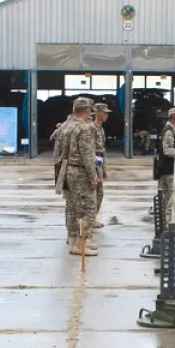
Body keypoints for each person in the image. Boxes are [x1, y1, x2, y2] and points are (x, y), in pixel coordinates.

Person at [63, 97, 100, 256]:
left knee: (72, 206)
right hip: (80, 171)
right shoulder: (84, 128)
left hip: (67, 169)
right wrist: (93, 176)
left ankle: (72, 239)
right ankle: (81, 243)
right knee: (87, 208)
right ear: (87, 111)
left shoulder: (66, 126)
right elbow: (87, 155)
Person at [157, 108, 175, 225]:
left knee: (167, 197)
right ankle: (168, 221)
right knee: (173, 196)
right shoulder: (169, 131)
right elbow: (167, 150)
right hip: (168, 169)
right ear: (174, 117)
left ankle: (165, 223)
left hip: (166, 168)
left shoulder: (170, 129)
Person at [91, 102, 111, 228]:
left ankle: (93, 218)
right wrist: (94, 172)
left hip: (99, 163)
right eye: (104, 112)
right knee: (94, 193)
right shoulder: (91, 128)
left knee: (100, 193)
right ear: (97, 112)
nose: (106, 115)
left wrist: (104, 168)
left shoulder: (101, 129)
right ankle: (89, 219)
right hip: (93, 164)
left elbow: (102, 150)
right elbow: (90, 150)